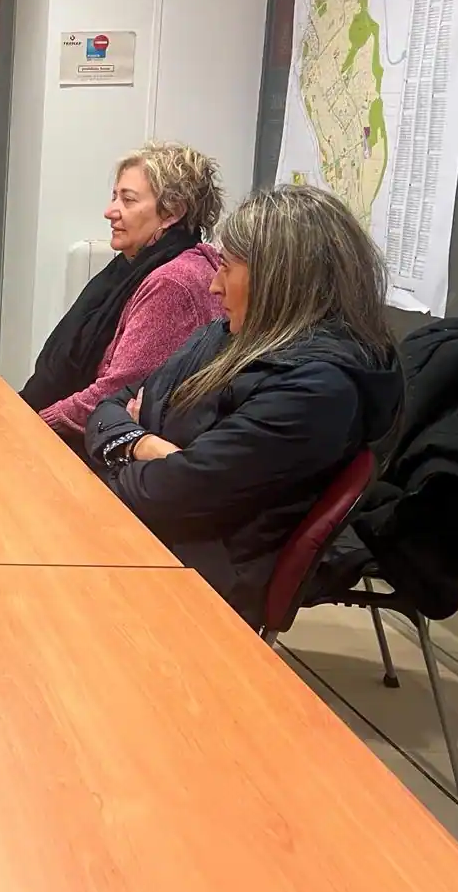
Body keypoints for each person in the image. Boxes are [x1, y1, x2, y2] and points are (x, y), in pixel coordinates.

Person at [85, 185, 402, 627]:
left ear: (279, 280)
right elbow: (111, 404)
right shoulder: (229, 335)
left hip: (194, 581)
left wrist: (128, 443)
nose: (213, 285)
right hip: (149, 534)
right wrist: (146, 446)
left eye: (228, 269)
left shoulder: (317, 390)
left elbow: (168, 493)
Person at [22, 143, 224, 443]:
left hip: (111, 453)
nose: (110, 212)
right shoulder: (134, 267)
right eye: (114, 197)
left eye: (128, 200)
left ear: (172, 212)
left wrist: (29, 424)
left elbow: (113, 394)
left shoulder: (173, 283)